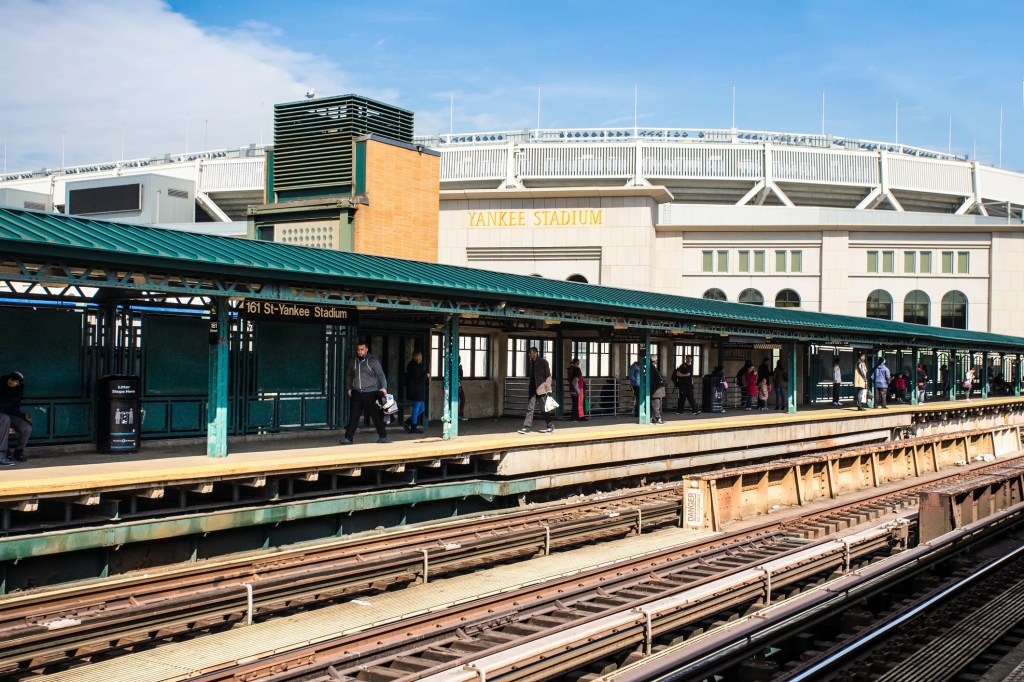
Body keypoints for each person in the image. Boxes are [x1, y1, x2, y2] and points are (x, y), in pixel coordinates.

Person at [341, 342, 389, 445]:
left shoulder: (373, 361)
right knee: (353, 416)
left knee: (375, 415)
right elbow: (349, 375)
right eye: (358, 350)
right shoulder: (353, 361)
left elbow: (381, 375)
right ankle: (348, 438)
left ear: (366, 349)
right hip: (357, 392)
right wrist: (349, 388)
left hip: (370, 392)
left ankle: (383, 436)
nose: (360, 352)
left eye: (362, 349)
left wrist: (384, 387)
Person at [519, 346, 555, 434]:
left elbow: (548, 376)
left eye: (530, 353)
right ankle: (526, 427)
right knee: (530, 408)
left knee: (544, 408)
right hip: (532, 389)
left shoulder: (543, 362)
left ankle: (550, 425)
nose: (529, 355)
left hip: (541, 389)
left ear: (535, 353)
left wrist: (549, 389)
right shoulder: (531, 362)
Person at [0, 371, 31, 465]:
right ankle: (1, 455)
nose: (16, 384)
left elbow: (15, 405)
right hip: (2, 415)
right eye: (15, 381)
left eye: (18, 382)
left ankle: (18, 451)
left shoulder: (18, 389)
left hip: (11, 414)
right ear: (9, 380)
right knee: (5, 419)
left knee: (26, 427)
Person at [403, 351, 429, 433]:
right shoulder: (416, 366)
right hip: (416, 390)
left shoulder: (411, 365)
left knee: (422, 408)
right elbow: (418, 380)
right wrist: (426, 376)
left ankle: (408, 422)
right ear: (419, 357)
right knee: (417, 408)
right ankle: (413, 427)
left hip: (415, 389)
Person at [650, 357, 667, 424]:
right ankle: (658, 418)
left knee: (655, 404)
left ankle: (652, 418)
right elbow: (654, 379)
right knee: (656, 405)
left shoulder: (652, 368)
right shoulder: (652, 369)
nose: (657, 361)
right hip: (656, 389)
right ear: (654, 361)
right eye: (656, 360)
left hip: (656, 389)